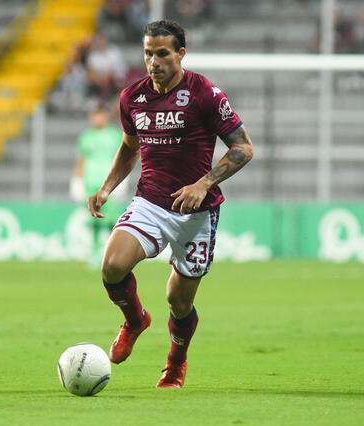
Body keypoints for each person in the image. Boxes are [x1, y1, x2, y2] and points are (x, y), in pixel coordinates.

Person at [87, 20, 254, 388]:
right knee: (112, 266)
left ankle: (176, 361)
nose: (153, 61)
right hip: (150, 202)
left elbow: (243, 148)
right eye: (148, 53)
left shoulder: (205, 94)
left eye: (162, 53)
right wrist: (107, 187)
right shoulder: (132, 97)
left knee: (178, 302)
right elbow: (130, 147)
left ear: (180, 53)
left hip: (196, 214)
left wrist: (204, 182)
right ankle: (134, 321)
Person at [71, 107, 124, 268]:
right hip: (90, 181)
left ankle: (112, 251)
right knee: (93, 218)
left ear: (106, 117)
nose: (98, 120)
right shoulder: (86, 137)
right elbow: (81, 159)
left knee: (111, 220)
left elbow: (122, 157)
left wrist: (122, 180)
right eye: (95, 117)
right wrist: (77, 180)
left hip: (109, 183)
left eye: (101, 116)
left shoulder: (114, 135)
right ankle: (94, 252)